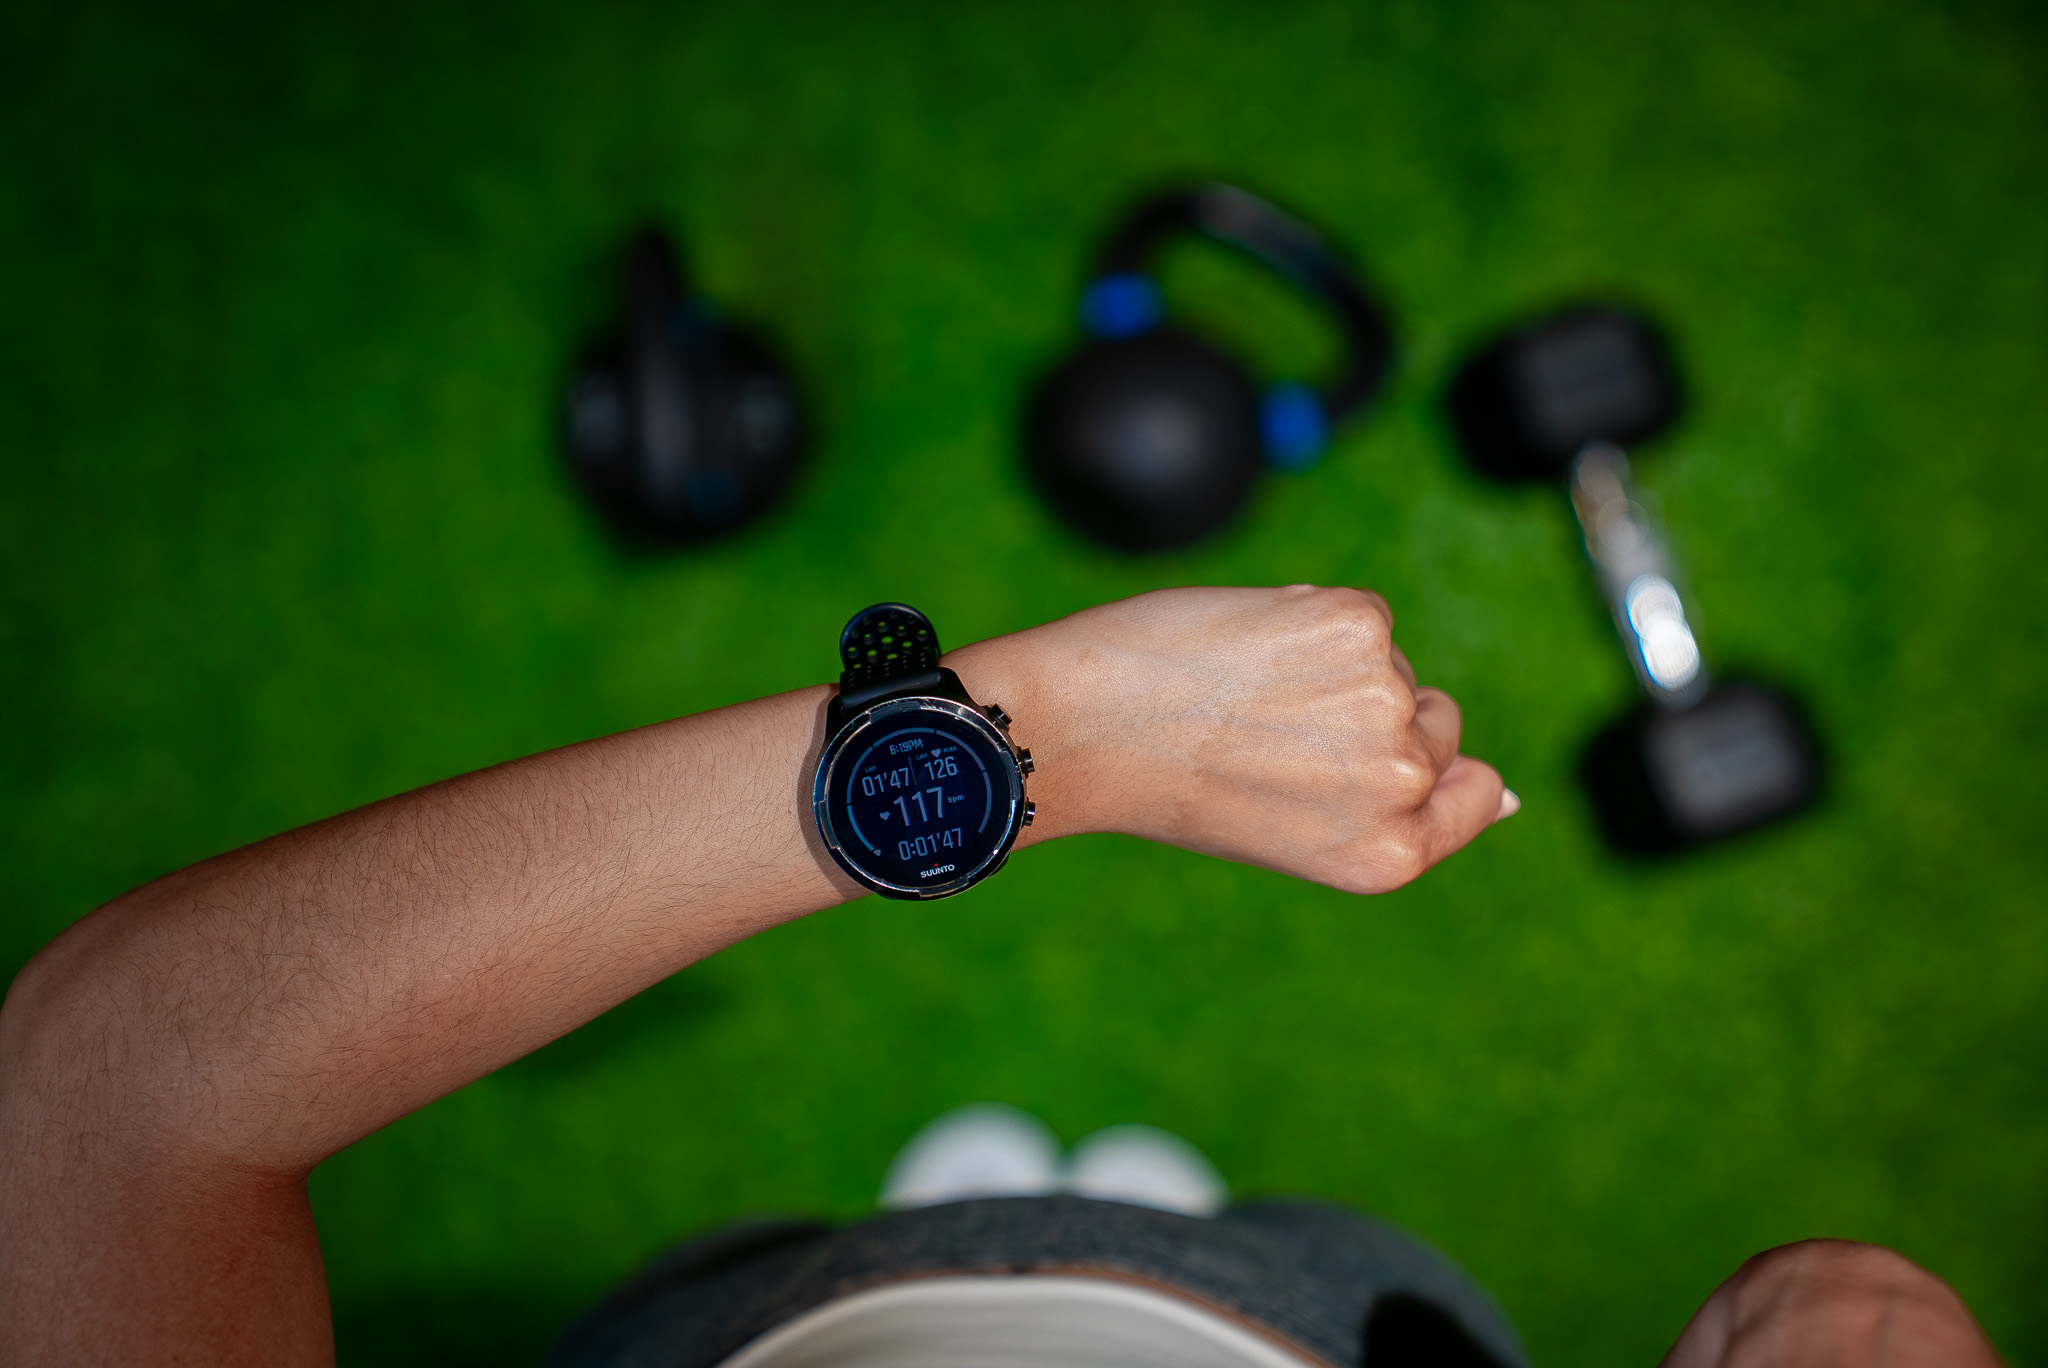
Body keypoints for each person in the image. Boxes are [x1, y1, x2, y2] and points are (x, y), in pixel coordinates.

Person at [0, 586, 2001, 1366]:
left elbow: (116, 1098)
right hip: (1330, 1321)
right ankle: (1114, 1216)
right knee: (1197, 1223)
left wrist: (1046, 735)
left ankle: (954, 1220)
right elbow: (1839, 1307)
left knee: (877, 1234)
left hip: (764, 1326)